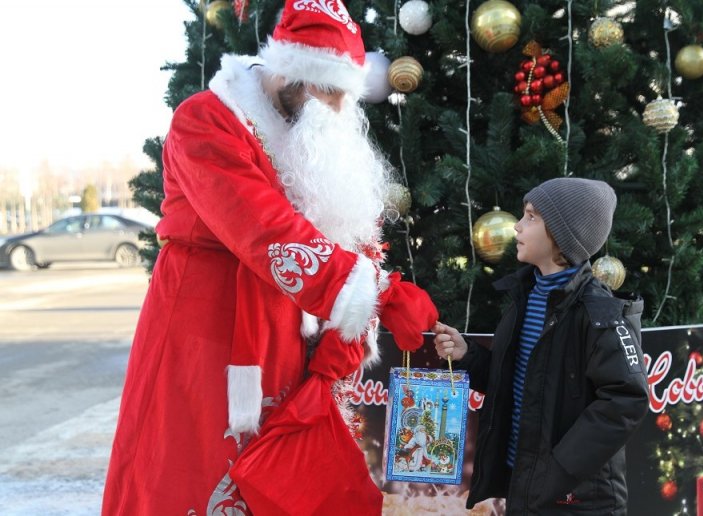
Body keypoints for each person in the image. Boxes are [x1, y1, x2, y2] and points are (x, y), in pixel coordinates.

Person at [102, 1, 437, 514]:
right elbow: (261, 227)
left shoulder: (312, 128)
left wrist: (364, 307)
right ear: (288, 67)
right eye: (324, 86)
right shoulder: (206, 121)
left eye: (341, 91)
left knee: (278, 474)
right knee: (191, 470)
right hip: (205, 330)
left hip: (282, 333)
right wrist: (377, 292)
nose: (333, 103)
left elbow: (338, 224)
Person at [433, 177, 649, 514]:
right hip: (526, 484)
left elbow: (626, 400)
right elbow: (524, 382)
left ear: (563, 235)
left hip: (576, 499)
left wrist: (558, 467)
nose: (517, 227)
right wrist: (468, 356)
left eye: (531, 217)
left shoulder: (599, 312)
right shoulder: (526, 297)